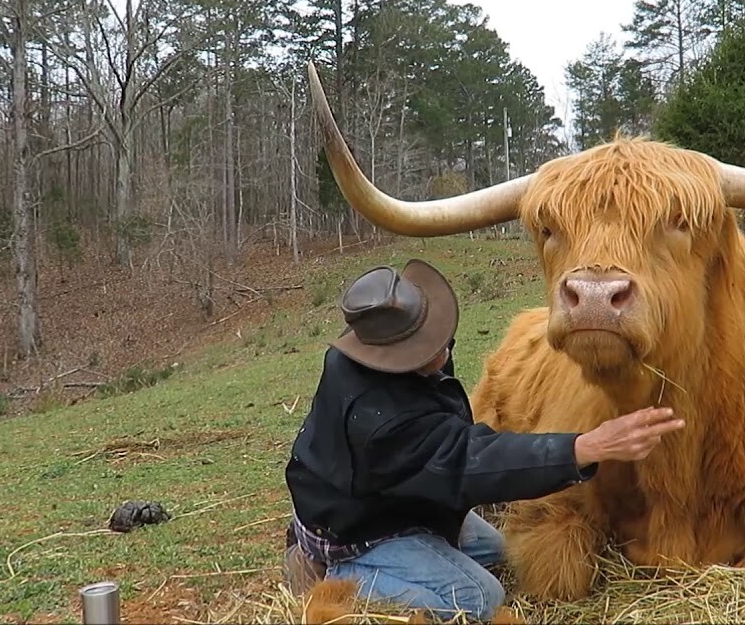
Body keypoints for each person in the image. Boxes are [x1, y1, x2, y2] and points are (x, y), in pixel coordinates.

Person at [282, 258, 686, 622]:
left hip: (397, 497)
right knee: (480, 597)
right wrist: (586, 447)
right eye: (425, 346)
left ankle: (411, 549)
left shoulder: (376, 343)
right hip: (359, 530)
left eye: (434, 333)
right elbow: (471, 462)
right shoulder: (384, 426)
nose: (442, 345)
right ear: (391, 359)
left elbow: (447, 453)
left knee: (498, 550)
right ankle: (336, 568)